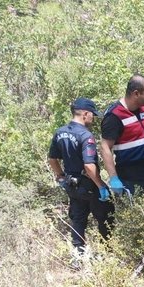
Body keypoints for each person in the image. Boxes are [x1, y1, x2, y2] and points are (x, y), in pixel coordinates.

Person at [48, 97, 113, 256]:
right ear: (85, 114)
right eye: (92, 114)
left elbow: (52, 159)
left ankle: (79, 255)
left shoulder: (60, 132)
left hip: (72, 185)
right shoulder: (85, 135)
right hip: (89, 185)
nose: (93, 118)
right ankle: (107, 254)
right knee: (106, 218)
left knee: (78, 220)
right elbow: (89, 166)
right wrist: (101, 186)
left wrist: (61, 177)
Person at [100, 74, 144, 195]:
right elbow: (104, 147)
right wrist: (113, 178)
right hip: (131, 177)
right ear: (136, 93)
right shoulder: (114, 116)